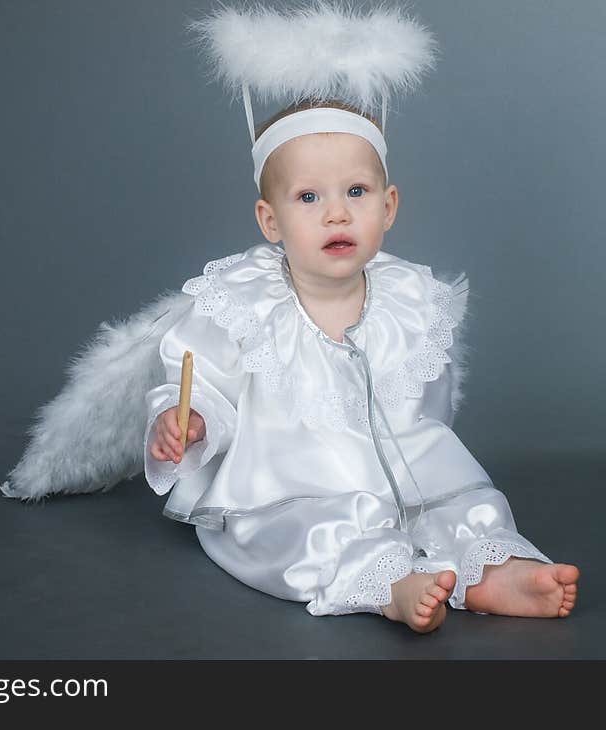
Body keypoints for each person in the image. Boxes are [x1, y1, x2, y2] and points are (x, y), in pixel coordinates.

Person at [141, 4, 579, 633]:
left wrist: (411, 464)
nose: (337, 215)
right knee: (312, 529)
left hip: (404, 465)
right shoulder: (243, 301)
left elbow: (431, 410)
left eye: (356, 192)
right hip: (292, 483)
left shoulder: (409, 300)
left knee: (463, 498)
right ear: (271, 222)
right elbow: (198, 377)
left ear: (389, 206)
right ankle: (388, 583)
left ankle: (492, 569)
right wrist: (188, 421)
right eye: (309, 198)